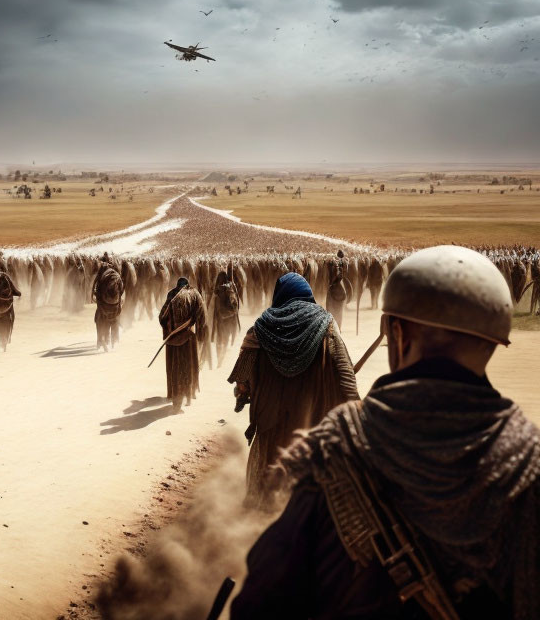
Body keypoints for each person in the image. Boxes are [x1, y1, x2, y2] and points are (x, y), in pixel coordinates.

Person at [231, 246, 540, 619]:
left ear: (397, 332)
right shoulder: (529, 460)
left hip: (272, 432)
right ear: (494, 340)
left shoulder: (338, 449)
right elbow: (347, 387)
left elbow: (259, 603)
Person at [227, 272, 358, 507]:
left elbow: (243, 378)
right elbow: (346, 374)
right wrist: (354, 408)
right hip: (312, 424)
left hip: (271, 424)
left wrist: (243, 394)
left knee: (264, 490)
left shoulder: (261, 328)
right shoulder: (326, 324)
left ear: (280, 294)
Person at [158, 277, 207, 413]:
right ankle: (188, 397)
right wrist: (200, 336)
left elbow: (162, 317)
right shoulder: (194, 294)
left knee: (174, 370)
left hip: (172, 339)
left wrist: (168, 331)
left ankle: (177, 401)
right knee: (188, 368)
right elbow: (202, 318)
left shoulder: (171, 294)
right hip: (188, 338)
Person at [209, 268, 241, 368]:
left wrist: (224, 315)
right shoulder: (217, 291)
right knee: (220, 342)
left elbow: (234, 308)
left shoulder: (229, 291)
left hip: (226, 322)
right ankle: (219, 362)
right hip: (219, 323)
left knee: (223, 342)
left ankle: (220, 362)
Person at [92, 254, 124, 351]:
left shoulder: (102, 275)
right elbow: (121, 289)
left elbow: (97, 291)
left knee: (99, 319)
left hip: (104, 305)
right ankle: (114, 341)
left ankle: (101, 341)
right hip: (115, 304)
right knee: (116, 319)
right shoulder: (116, 275)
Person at [326, 249, 352, 330]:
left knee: (331, 309)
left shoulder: (336, 264)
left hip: (335, 288)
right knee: (340, 312)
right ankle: (338, 327)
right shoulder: (345, 263)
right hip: (343, 289)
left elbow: (336, 276)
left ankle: (334, 327)